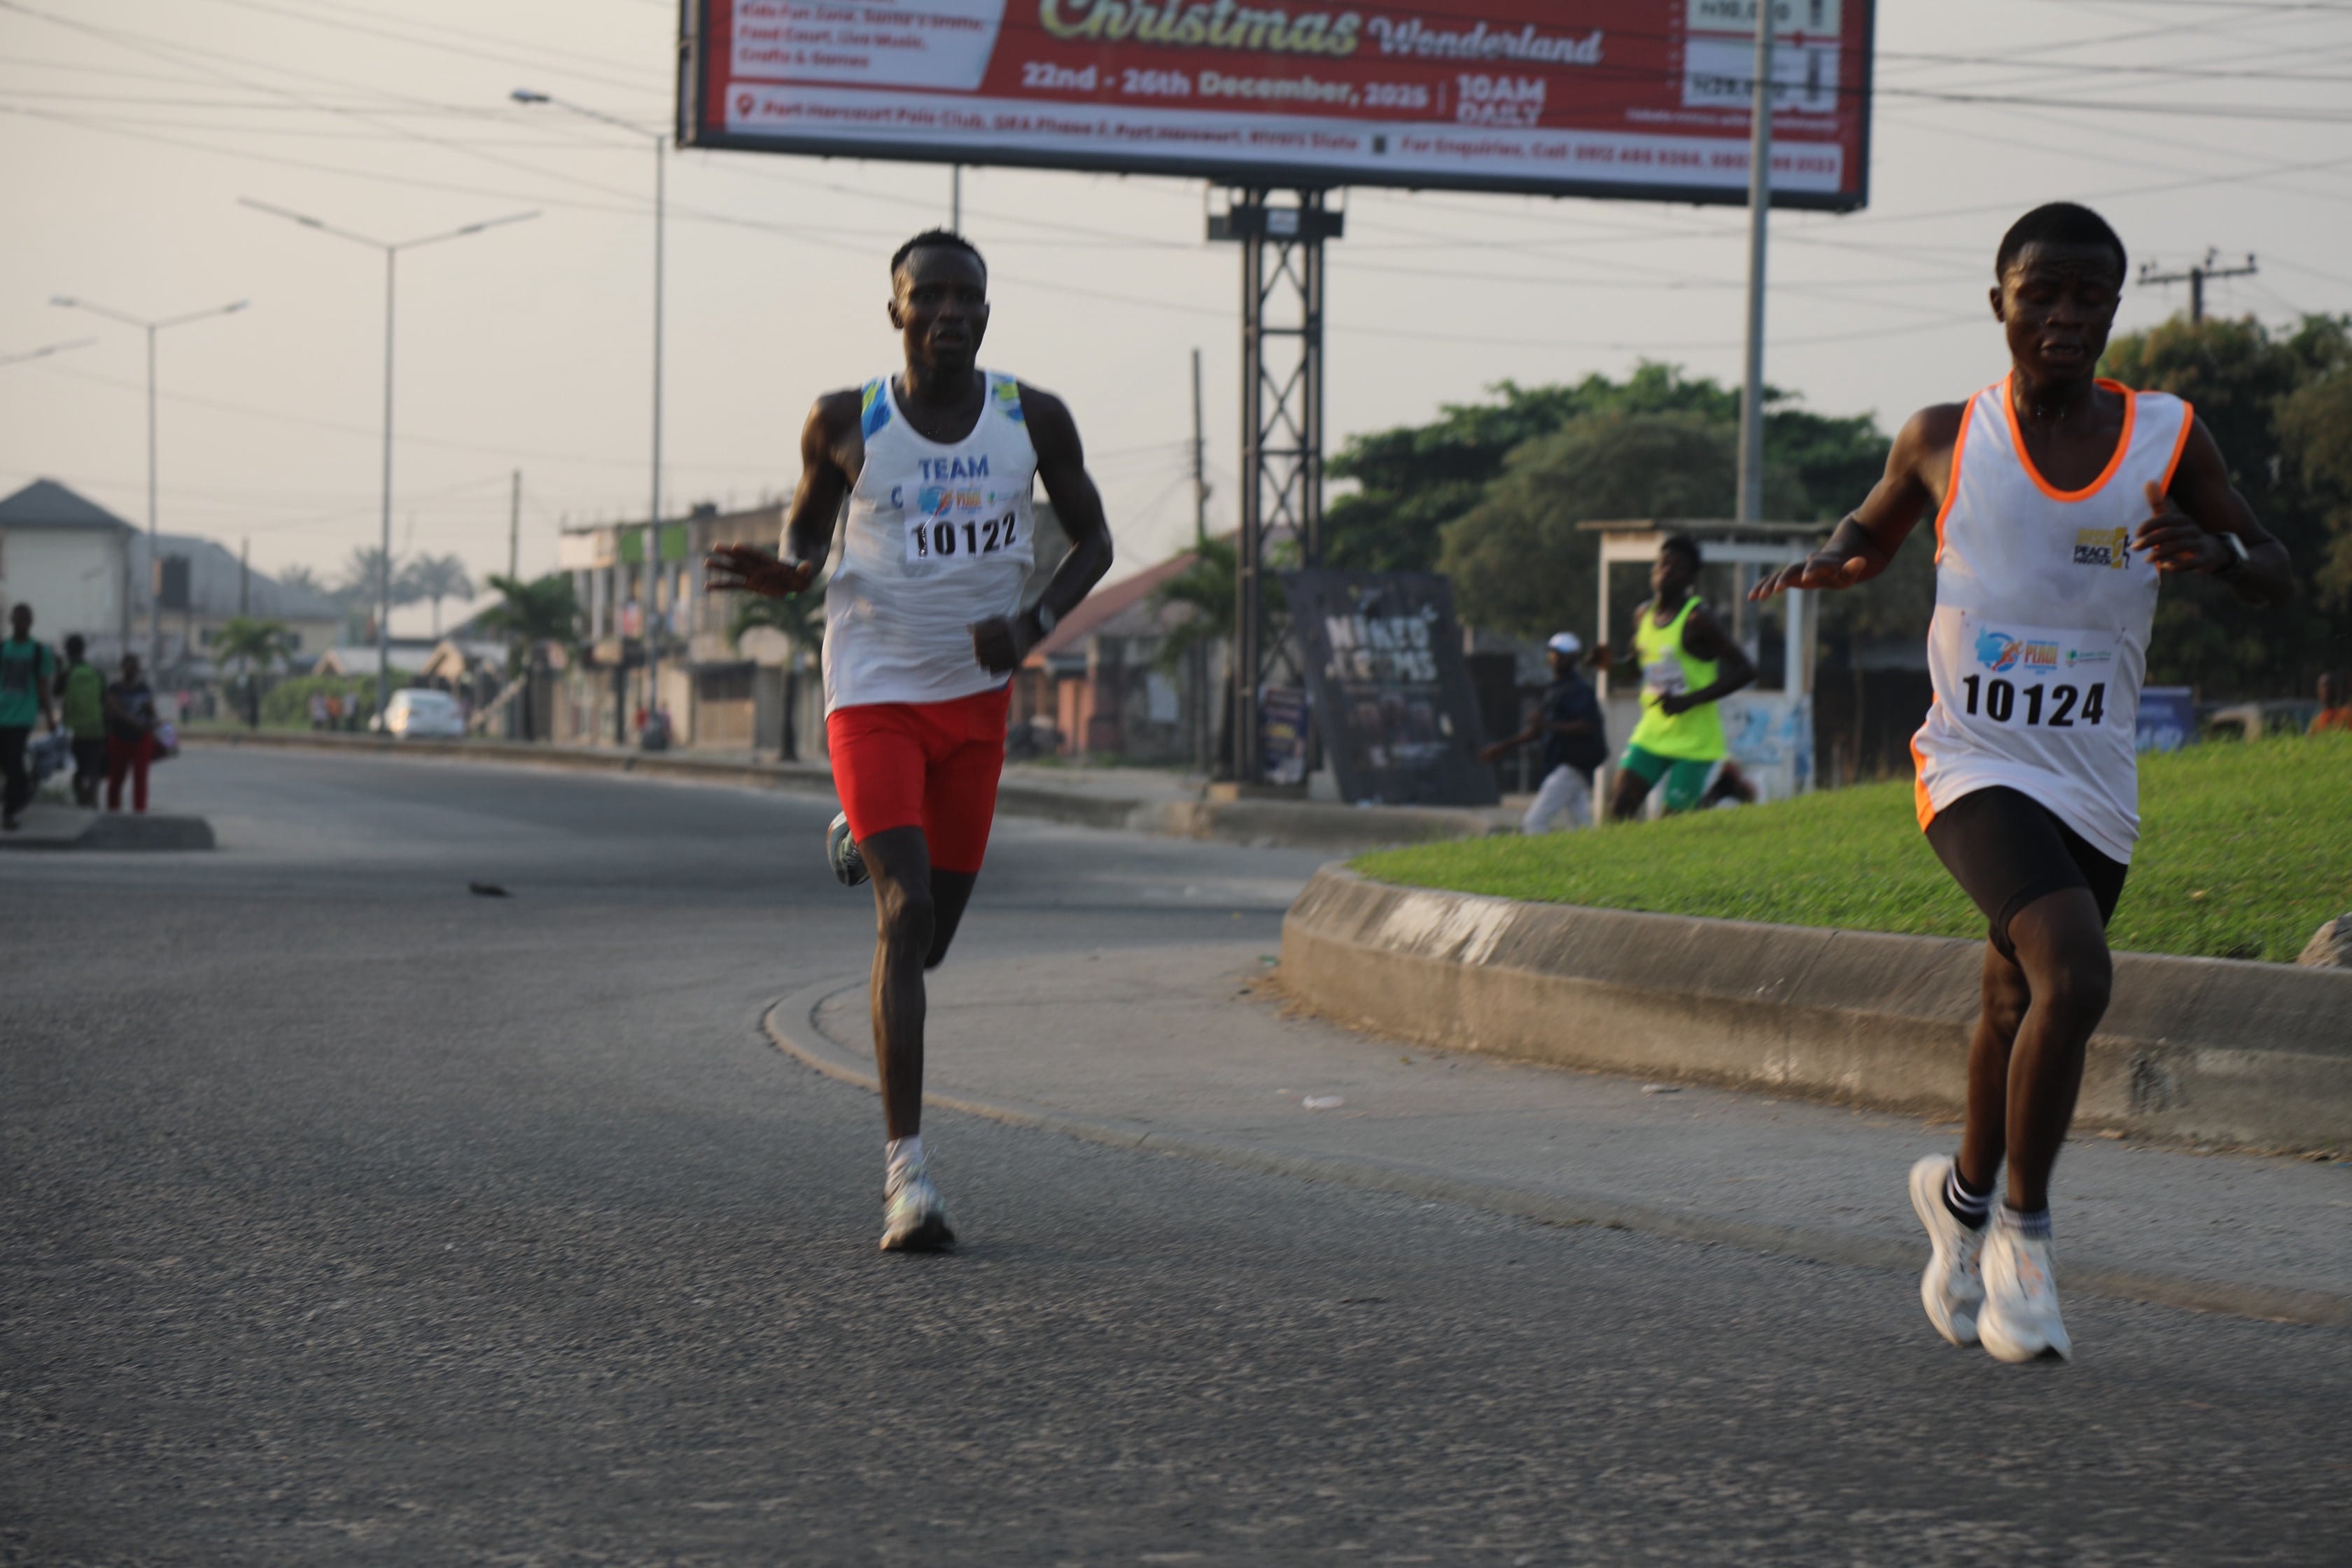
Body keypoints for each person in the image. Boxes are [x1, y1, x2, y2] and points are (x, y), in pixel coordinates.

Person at [1751, 202, 2294, 1362]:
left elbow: (2276, 567)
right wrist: (1838, 562)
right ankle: (2023, 1242)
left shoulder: (2167, 435)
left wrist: (2223, 555)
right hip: (1973, 762)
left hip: (2091, 771)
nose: (2062, 316)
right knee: (2075, 974)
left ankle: (1956, 1201)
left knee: (2013, 1003)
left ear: (2113, 309)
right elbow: (1872, 527)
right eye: (2038, 293)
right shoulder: (1945, 435)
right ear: (1998, 301)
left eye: (2088, 297)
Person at [705, 229, 1114, 1252]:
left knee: (933, 940)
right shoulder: (847, 420)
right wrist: (795, 570)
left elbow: (1095, 540)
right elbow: (808, 531)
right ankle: (909, 1179)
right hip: (874, 690)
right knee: (907, 908)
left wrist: (1031, 623)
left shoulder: (1034, 418)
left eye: (964, 297)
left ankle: (860, 828)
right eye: (926, 296)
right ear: (894, 311)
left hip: (976, 701)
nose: (946, 313)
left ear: (986, 312)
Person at [1592, 536, 1757, 821]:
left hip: (1695, 740)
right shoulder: (1643, 616)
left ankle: (1721, 791)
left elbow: (1746, 670)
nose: (1665, 571)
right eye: (1661, 564)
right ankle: (1722, 789)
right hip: (1652, 732)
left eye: (1676, 567)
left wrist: (1688, 701)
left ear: (1691, 578)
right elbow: (1636, 668)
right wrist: (1609, 666)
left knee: (1673, 823)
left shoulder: (1698, 619)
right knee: (1619, 808)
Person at [1480, 632, 1606, 833]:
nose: (1556, 660)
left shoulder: (1578, 689)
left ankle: (1542, 854)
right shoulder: (1556, 689)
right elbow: (1536, 731)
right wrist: (1503, 747)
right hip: (1563, 766)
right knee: (1582, 826)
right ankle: (1595, 851)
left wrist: (1547, 724)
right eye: (1554, 655)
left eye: (1562, 656)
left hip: (1572, 765)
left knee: (1534, 822)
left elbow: (1586, 725)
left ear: (1573, 659)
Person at [1, 603, 60, 831]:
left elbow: (43, 686)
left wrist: (51, 717)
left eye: (25, 619)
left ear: (31, 622)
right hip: (2, 713)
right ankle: (23, 786)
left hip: (23, 716)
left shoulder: (39, 652)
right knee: (7, 763)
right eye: (17, 619)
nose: (20, 623)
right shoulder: (3, 648)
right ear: (11, 621)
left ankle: (11, 812)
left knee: (14, 759)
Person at [56, 634, 108, 808]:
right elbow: (104, 699)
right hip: (95, 727)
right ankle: (92, 798)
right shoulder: (97, 672)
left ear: (67, 650)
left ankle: (81, 799)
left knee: (79, 767)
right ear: (83, 650)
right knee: (93, 767)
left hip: (73, 728)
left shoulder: (66, 672)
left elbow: (55, 693)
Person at [104, 654, 159, 814]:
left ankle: (139, 811)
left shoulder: (144, 688)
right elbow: (117, 711)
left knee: (140, 777)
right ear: (123, 668)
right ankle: (113, 810)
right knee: (117, 777)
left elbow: (152, 711)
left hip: (142, 738)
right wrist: (135, 723)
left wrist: (153, 717)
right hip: (120, 738)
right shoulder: (114, 688)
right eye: (129, 666)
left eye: (135, 666)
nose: (133, 669)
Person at [2309, 671, 2350, 735]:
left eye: (2331, 686)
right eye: (2323, 686)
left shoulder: (2347, 716)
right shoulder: (2316, 723)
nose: (2326, 689)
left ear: (2337, 690)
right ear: (2318, 691)